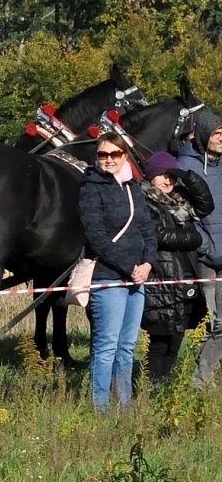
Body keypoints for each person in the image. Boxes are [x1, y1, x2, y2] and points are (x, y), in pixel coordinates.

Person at [78, 137, 158, 413]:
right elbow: (96, 236)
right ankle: (100, 409)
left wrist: (147, 264)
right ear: (96, 157)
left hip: (138, 279)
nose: (109, 158)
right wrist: (129, 266)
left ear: (125, 156)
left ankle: (123, 405)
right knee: (106, 347)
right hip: (108, 278)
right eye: (103, 154)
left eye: (115, 153)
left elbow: (148, 229)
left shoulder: (132, 188)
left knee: (127, 347)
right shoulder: (90, 189)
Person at [139, 152, 214, 391]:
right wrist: (192, 238)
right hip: (160, 277)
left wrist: (187, 176)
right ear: (151, 176)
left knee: (176, 338)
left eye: (172, 176)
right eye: (163, 175)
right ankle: (151, 388)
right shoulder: (144, 200)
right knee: (159, 340)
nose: (168, 181)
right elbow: (157, 235)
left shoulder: (180, 200)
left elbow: (206, 204)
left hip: (183, 277)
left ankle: (165, 386)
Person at [178, 106, 222, 387]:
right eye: (218, 134)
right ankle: (196, 380)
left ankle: (202, 378)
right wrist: (204, 245)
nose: (221, 139)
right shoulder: (186, 167)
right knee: (208, 320)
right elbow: (180, 213)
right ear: (205, 134)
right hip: (205, 257)